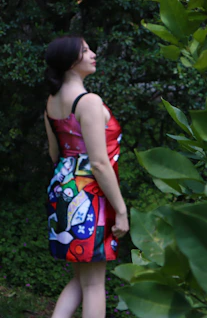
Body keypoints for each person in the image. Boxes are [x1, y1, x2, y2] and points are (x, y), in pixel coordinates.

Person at [43, 36, 129, 318]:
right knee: (93, 283)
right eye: (85, 51)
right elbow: (99, 163)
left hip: (62, 192)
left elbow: (56, 155)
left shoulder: (52, 103)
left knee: (81, 279)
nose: (93, 54)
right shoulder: (88, 101)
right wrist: (121, 210)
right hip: (88, 198)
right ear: (70, 62)